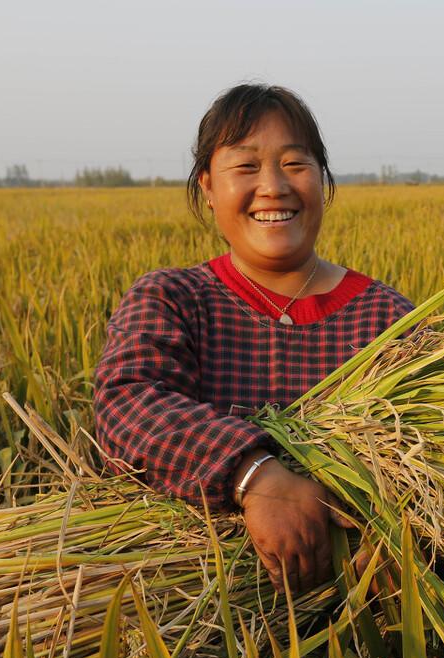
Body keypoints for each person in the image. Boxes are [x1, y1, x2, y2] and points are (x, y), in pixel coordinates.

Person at [93, 84, 414, 594]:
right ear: (208, 187)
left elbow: (431, 451)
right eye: (245, 167)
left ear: (322, 179)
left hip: (368, 621)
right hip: (201, 615)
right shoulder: (174, 299)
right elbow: (126, 405)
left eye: (295, 164)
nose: (273, 186)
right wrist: (255, 477)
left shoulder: (388, 320)